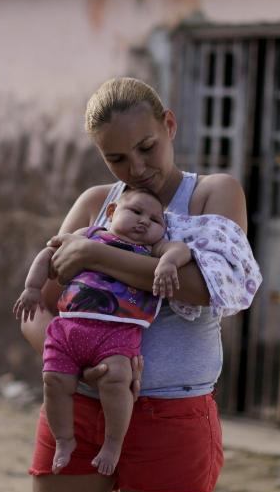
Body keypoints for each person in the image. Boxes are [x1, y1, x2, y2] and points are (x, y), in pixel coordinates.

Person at [20, 77, 259, 492]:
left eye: (147, 147)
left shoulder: (214, 195)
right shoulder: (95, 204)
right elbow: (40, 306)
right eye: (117, 158)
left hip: (171, 416)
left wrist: (96, 256)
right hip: (80, 410)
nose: (138, 167)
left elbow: (206, 287)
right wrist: (75, 365)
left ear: (169, 124)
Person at [13, 187, 191, 477]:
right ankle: (64, 439)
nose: (144, 221)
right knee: (54, 381)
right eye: (135, 212)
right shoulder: (90, 234)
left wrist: (169, 262)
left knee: (118, 380)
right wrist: (32, 288)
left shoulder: (151, 251)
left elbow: (179, 249)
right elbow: (49, 252)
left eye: (155, 220)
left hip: (118, 333)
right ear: (111, 213)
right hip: (69, 328)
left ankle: (112, 444)